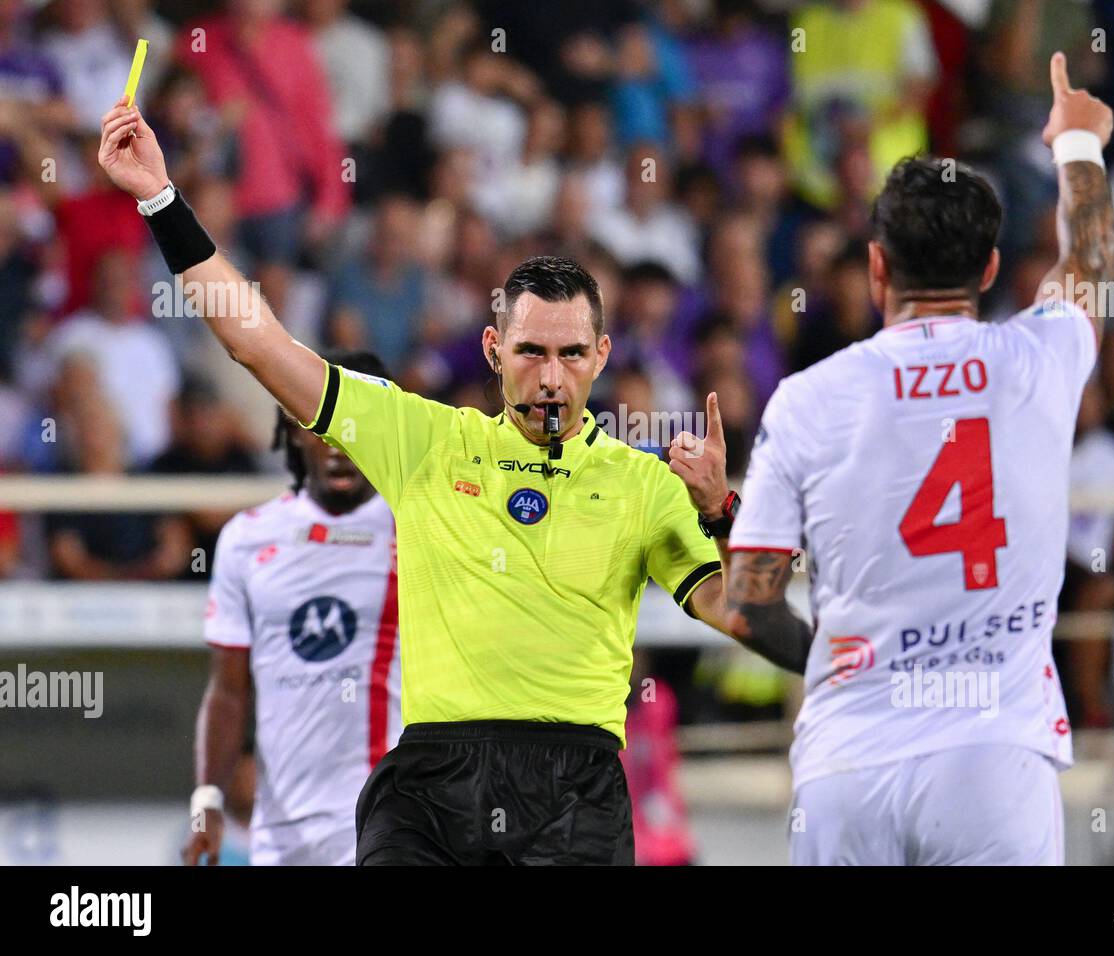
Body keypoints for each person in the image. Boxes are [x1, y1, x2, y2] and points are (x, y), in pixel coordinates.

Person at [96, 97, 780, 866]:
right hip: (432, 777)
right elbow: (259, 344)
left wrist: (725, 509)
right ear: (492, 348)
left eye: (570, 356)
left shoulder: (645, 485)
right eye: (529, 352)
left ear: (601, 354)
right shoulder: (424, 440)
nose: (549, 377)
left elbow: (751, 620)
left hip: (574, 787)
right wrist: (160, 199)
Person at [725, 52, 1114, 865]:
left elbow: (747, 605)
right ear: (992, 269)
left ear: (875, 268)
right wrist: (1077, 143)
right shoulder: (1041, 359)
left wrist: (845, 663)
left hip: (848, 762)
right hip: (994, 759)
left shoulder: (806, 398)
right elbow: (1091, 261)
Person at [183, 351, 402, 867]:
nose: (338, 447)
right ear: (293, 425)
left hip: (388, 823)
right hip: (280, 835)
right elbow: (229, 688)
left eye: (358, 428)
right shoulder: (247, 538)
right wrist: (207, 800)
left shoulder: (418, 530)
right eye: (323, 427)